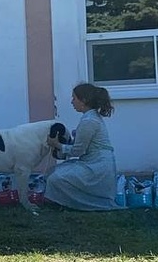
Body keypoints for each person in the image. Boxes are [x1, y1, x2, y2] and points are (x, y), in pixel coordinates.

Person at [44, 82, 125, 211]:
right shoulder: (91, 118)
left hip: (97, 167)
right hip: (92, 162)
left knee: (56, 178)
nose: (72, 102)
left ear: (84, 101)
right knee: (52, 172)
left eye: (74, 98)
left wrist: (57, 145)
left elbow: (78, 151)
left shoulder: (89, 121)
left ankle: (79, 203)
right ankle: (65, 202)